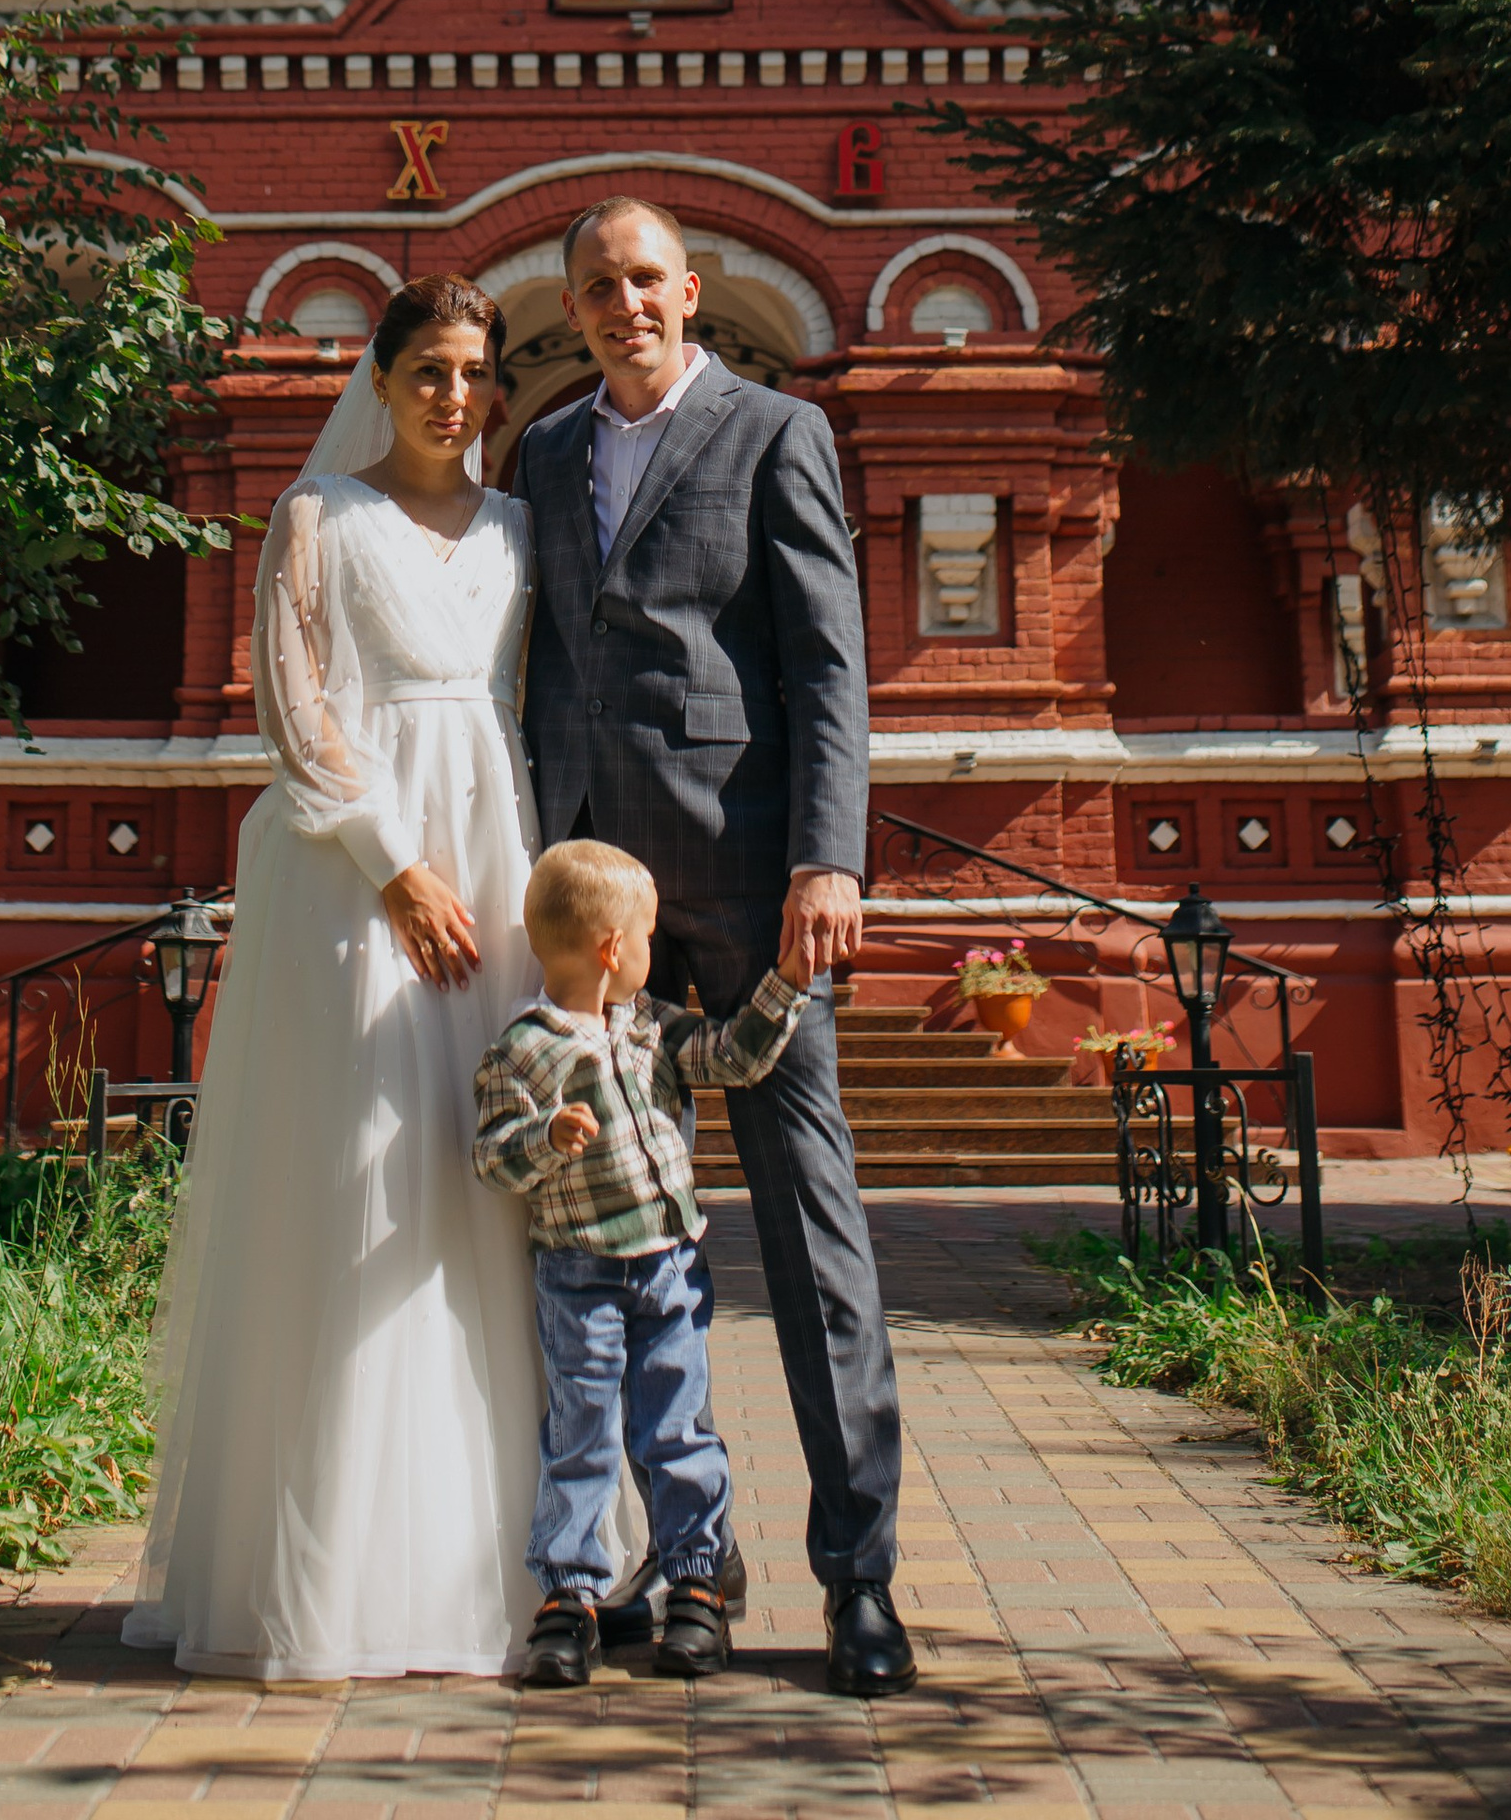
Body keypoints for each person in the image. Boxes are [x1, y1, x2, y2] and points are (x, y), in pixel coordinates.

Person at [517, 197, 918, 1698]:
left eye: (644, 280)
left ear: (691, 292)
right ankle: (672, 1557)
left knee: (811, 1230)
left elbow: (827, 659)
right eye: (596, 287)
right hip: (596, 929)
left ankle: (859, 1581)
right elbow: (544, 662)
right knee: (607, 1239)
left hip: (752, 896)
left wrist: (830, 856)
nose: (623, 304)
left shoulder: (774, 432)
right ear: (572, 312)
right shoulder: (546, 453)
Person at [124, 276, 544, 1681]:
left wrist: (494, 883)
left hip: (492, 866)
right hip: (355, 883)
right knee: (362, 1176)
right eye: (427, 367)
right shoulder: (318, 518)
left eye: (474, 371)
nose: (452, 394)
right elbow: (296, 709)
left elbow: (521, 709)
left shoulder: (519, 533)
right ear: (380, 375)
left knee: (469, 1188)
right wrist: (395, 867)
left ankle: (468, 1570)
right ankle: (320, 1578)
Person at [474, 837, 805, 1689]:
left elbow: (733, 1055)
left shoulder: (654, 1029)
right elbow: (492, 1160)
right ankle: (569, 1597)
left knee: (677, 1425)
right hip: (578, 1275)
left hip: (670, 1265)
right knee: (581, 1433)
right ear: (614, 948)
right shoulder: (523, 1049)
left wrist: (790, 983)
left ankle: (697, 1583)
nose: (656, 952)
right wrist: (545, 1140)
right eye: (650, 936)